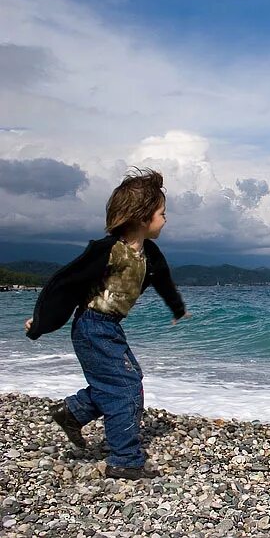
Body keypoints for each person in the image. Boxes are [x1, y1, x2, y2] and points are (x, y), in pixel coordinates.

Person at [24, 168, 189, 480]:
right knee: (124, 385)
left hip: (109, 326)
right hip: (91, 326)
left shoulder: (149, 254)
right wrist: (40, 324)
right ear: (143, 218)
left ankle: (73, 412)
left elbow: (164, 280)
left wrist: (177, 308)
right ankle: (125, 459)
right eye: (162, 213)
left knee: (126, 379)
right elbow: (65, 284)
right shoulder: (107, 251)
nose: (165, 219)